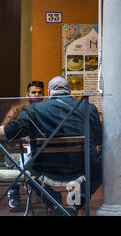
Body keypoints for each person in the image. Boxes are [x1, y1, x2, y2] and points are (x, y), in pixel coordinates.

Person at [0, 76, 103, 215]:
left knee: (28, 169)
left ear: (48, 92)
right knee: (99, 165)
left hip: (46, 170)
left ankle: (54, 202)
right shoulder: (88, 108)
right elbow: (99, 139)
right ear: (70, 91)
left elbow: (7, 132)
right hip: (80, 167)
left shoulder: (33, 110)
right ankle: (75, 204)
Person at [1, 80, 44, 212]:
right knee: (15, 158)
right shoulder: (17, 109)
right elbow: (5, 129)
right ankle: (14, 190)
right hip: (18, 149)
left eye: (39, 92)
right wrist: (21, 137)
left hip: (40, 150)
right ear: (27, 94)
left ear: (43, 94)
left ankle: (41, 191)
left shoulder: (47, 109)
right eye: (33, 92)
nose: (36, 95)